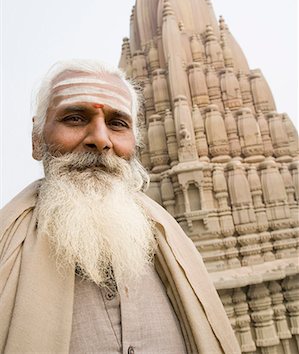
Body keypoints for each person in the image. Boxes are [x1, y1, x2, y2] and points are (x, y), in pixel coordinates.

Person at [0, 60, 241, 354]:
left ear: (134, 145)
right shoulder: (6, 252)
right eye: (75, 118)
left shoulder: (176, 249)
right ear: (37, 141)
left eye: (117, 124)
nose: (100, 140)